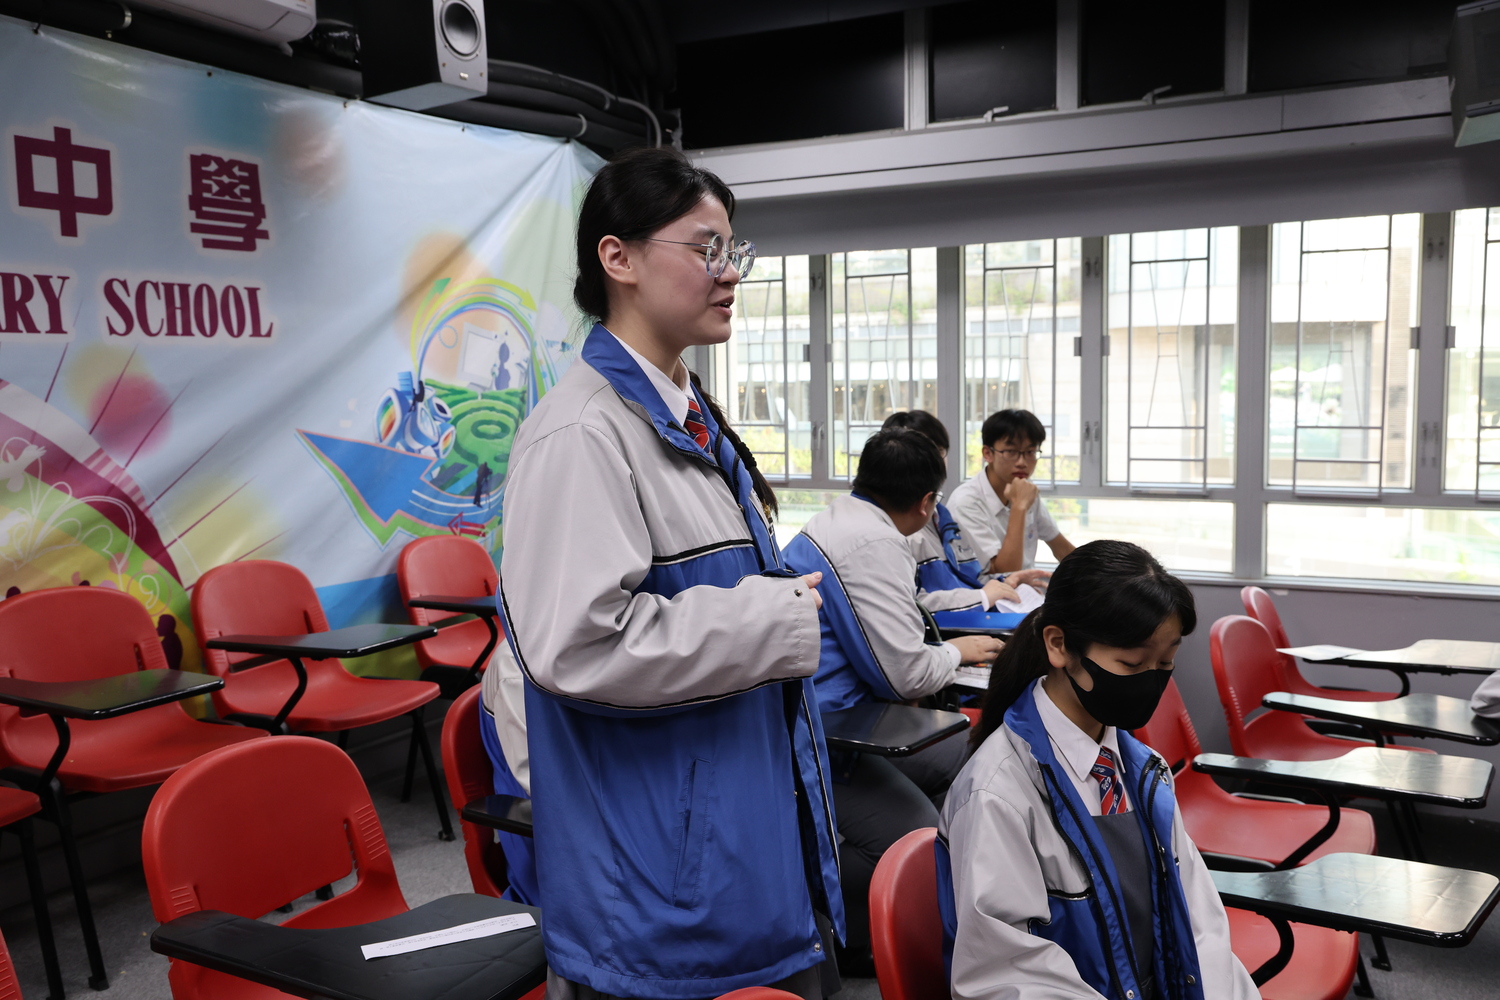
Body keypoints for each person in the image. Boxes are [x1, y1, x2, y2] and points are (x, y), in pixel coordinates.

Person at [498, 147, 842, 1000]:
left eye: (734, 250)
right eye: (705, 248)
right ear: (618, 259)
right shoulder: (582, 433)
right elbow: (577, 647)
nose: (730, 273)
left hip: (729, 830)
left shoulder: (683, 414)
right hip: (656, 874)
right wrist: (770, 619)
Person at [937, 540, 1257, 1000]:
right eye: (1132, 662)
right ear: (1058, 645)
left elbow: (1198, 921)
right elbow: (1008, 977)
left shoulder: (1141, 770)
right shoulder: (997, 795)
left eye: (1165, 662)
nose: (1152, 678)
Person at [782, 427, 1003, 975]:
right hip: (825, 733)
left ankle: (956, 909)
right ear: (927, 503)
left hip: (849, 719)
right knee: (914, 834)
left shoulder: (844, 520)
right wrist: (958, 652)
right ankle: (842, 930)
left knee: (976, 759)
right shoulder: (875, 543)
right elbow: (905, 675)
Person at [880, 410, 1049, 611]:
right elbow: (909, 604)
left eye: (939, 451)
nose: (933, 461)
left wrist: (1005, 581)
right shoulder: (897, 525)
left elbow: (967, 578)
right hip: (947, 624)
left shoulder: (941, 516)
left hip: (967, 614)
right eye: (919, 453)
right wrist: (983, 596)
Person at [949, 409, 1076, 576]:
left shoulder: (1025, 490)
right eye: (1011, 452)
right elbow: (1005, 573)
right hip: (987, 590)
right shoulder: (966, 502)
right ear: (988, 453)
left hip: (1025, 588)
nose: (1022, 462)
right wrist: (1019, 507)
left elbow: (1061, 548)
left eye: (1030, 452)